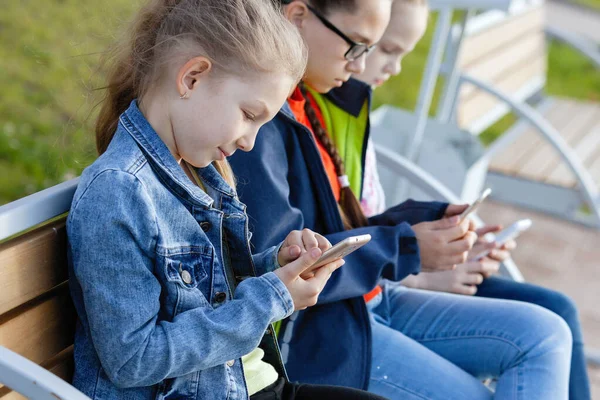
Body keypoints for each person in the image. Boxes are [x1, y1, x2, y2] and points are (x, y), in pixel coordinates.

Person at [230, 1, 573, 398]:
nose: (362, 66)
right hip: (319, 334)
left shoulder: (313, 100)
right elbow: (294, 262)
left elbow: (339, 224)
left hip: (363, 302)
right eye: (358, 45)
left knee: (547, 332)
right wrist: (409, 247)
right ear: (297, 16)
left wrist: (425, 219)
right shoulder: (263, 121)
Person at [66, 0, 390, 399]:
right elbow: (134, 359)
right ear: (193, 78)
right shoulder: (118, 192)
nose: (249, 141)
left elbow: (199, 294)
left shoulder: (198, 170)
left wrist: (276, 266)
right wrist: (273, 297)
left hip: (245, 383)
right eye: (249, 114)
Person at [350, 0, 590, 397]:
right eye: (384, 48)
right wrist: (424, 272)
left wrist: (453, 246)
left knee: (556, 313)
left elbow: (362, 222)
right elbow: (326, 245)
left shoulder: (349, 110)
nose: (394, 68)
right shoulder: (310, 117)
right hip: (380, 289)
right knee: (541, 336)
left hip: (390, 279)